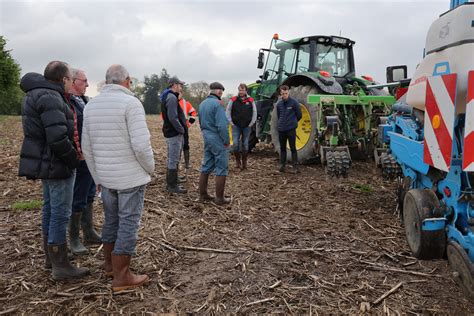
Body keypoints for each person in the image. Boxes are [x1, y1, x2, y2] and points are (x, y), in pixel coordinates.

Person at [82, 64, 155, 293]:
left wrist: (97, 177)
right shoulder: (131, 103)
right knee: (128, 224)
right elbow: (141, 147)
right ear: (127, 81)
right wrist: (149, 169)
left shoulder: (91, 105)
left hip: (106, 178)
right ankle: (122, 276)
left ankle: (109, 266)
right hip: (130, 178)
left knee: (111, 221)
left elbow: (87, 147)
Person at [18, 61, 89, 280]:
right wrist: (73, 160)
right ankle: (61, 265)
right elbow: (57, 138)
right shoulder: (51, 97)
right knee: (60, 213)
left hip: (46, 163)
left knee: (50, 210)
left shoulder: (36, 94)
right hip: (56, 164)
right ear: (64, 79)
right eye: (70, 78)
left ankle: (52, 258)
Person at [68, 68, 101, 256]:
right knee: (78, 197)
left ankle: (88, 231)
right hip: (79, 157)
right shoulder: (69, 102)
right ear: (73, 81)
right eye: (84, 81)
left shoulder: (83, 101)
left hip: (89, 157)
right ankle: (74, 238)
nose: (88, 84)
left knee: (88, 194)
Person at [198, 82, 231, 205]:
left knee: (206, 166)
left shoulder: (202, 104)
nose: (221, 94)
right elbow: (222, 126)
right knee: (221, 168)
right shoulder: (218, 104)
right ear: (218, 92)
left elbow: (200, 122)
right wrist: (226, 141)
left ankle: (203, 194)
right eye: (221, 92)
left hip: (207, 137)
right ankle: (219, 198)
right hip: (217, 138)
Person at [160, 77, 187, 194]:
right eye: (180, 85)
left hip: (171, 132)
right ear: (174, 85)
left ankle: (174, 179)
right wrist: (181, 129)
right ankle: (172, 186)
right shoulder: (171, 98)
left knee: (173, 157)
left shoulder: (169, 96)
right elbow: (173, 117)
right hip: (174, 133)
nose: (181, 88)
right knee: (173, 158)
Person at [226, 83, 257, 170]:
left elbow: (254, 112)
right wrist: (231, 122)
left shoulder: (251, 100)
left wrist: (251, 123)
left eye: (243, 90)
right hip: (236, 125)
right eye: (240, 90)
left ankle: (244, 163)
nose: (241, 92)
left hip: (247, 126)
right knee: (235, 144)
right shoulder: (233, 99)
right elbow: (228, 111)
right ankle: (237, 161)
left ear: (246, 90)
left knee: (245, 145)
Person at [276, 85, 302, 173]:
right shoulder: (279, 104)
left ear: (289, 92)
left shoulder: (294, 103)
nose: (284, 95)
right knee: (282, 148)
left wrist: (292, 122)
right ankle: (282, 165)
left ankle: (295, 167)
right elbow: (279, 116)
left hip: (290, 129)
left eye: (286, 93)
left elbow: (299, 115)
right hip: (281, 129)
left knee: (293, 148)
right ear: (280, 93)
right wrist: (281, 124)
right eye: (283, 94)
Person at [178, 91, 197, 171]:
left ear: (182, 94)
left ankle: (187, 164)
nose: (178, 95)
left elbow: (193, 112)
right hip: (173, 127)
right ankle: (176, 164)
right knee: (176, 146)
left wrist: (189, 123)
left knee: (186, 145)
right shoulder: (171, 101)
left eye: (180, 93)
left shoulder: (186, 103)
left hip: (184, 126)